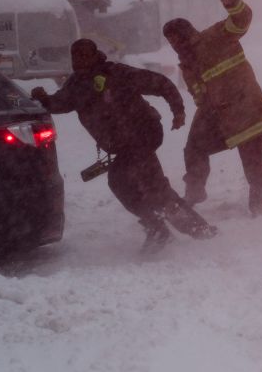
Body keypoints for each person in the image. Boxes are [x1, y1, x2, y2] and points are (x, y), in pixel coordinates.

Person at [32, 38, 216, 251]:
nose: (79, 61)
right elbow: (61, 103)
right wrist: (44, 99)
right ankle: (168, 226)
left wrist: (178, 110)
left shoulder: (117, 73)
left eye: (84, 55)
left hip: (143, 135)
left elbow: (161, 83)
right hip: (124, 146)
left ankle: (184, 229)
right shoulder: (77, 84)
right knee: (130, 184)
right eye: (75, 56)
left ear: (95, 55)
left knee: (146, 185)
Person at [162, 0, 262, 217]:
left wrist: (231, 1)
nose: (174, 45)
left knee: (252, 160)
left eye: (176, 39)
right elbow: (199, 95)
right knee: (194, 147)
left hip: (246, 110)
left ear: (186, 34)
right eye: (170, 42)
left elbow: (242, 19)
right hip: (217, 116)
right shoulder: (187, 64)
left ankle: (260, 206)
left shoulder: (216, 36)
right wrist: (205, 110)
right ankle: (195, 190)